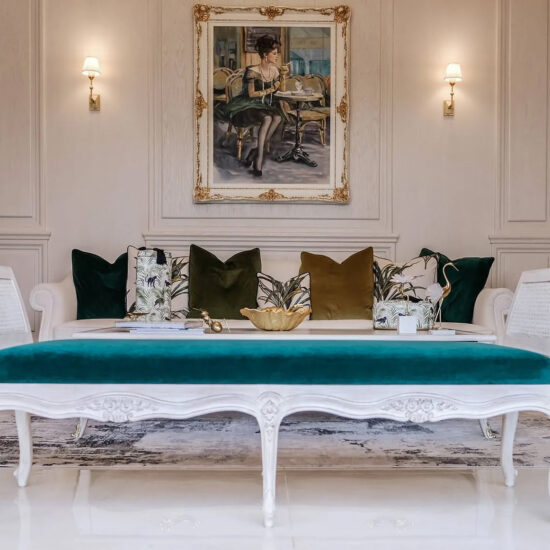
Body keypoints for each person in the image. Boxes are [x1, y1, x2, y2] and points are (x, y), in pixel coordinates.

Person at [223, 35, 283, 177]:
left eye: (277, 53)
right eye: (274, 53)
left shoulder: (275, 71)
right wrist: (271, 89)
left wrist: (281, 80)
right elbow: (251, 94)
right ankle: (258, 159)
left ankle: (255, 152)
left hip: (263, 105)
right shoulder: (252, 71)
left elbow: (279, 89)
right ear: (265, 55)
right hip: (246, 105)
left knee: (278, 118)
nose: (276, 56)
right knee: (268, 118)